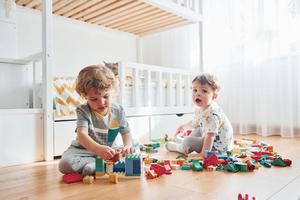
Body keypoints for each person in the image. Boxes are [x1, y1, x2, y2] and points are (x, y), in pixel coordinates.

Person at [59, 65, 135, 176]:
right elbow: (82, 135)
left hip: (109, 151)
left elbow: (126, 132)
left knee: (134, 152)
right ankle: (96, 164)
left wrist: (127, 146)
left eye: (106, 96)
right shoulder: (83, 111)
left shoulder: (118, 110)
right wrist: (98, 150)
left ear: (112, 92)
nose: (101, 103)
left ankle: (98, 165)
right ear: (84, 96)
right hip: (83, 150)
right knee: (64, 164)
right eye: (94, 99)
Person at [165, 73, 233, 158]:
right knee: (198, 128)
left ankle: (178, 147)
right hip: (207, 138)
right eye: (195, 90)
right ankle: (182, 142)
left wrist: (203, 154)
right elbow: (195, 122)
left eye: (204, 91)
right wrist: (184, 127)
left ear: (214, 96)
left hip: (217, 148)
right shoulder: (201, 109)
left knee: (188, 142)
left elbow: (210, 137)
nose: (198, 94)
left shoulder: (212, 114)